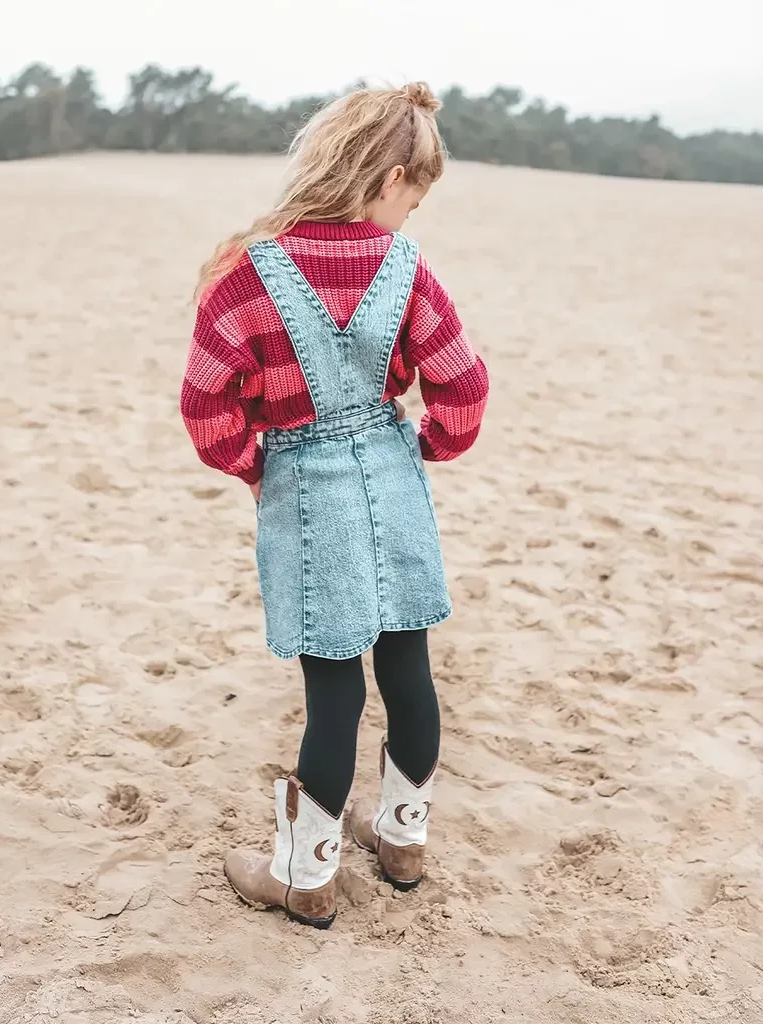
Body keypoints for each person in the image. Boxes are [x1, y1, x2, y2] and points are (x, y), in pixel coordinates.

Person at [181, 81, 489, 929]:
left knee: (332, 690)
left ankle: (306, 875)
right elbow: (463, 386)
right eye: (415, 196)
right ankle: (402, 840)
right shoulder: (408, 266)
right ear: (390, 176)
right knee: (409, 669)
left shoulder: (250, 269)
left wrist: (254, 467)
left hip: (304, 485)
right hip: (392, 475)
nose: (411, 213)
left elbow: (207, 402)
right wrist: (419, 447)